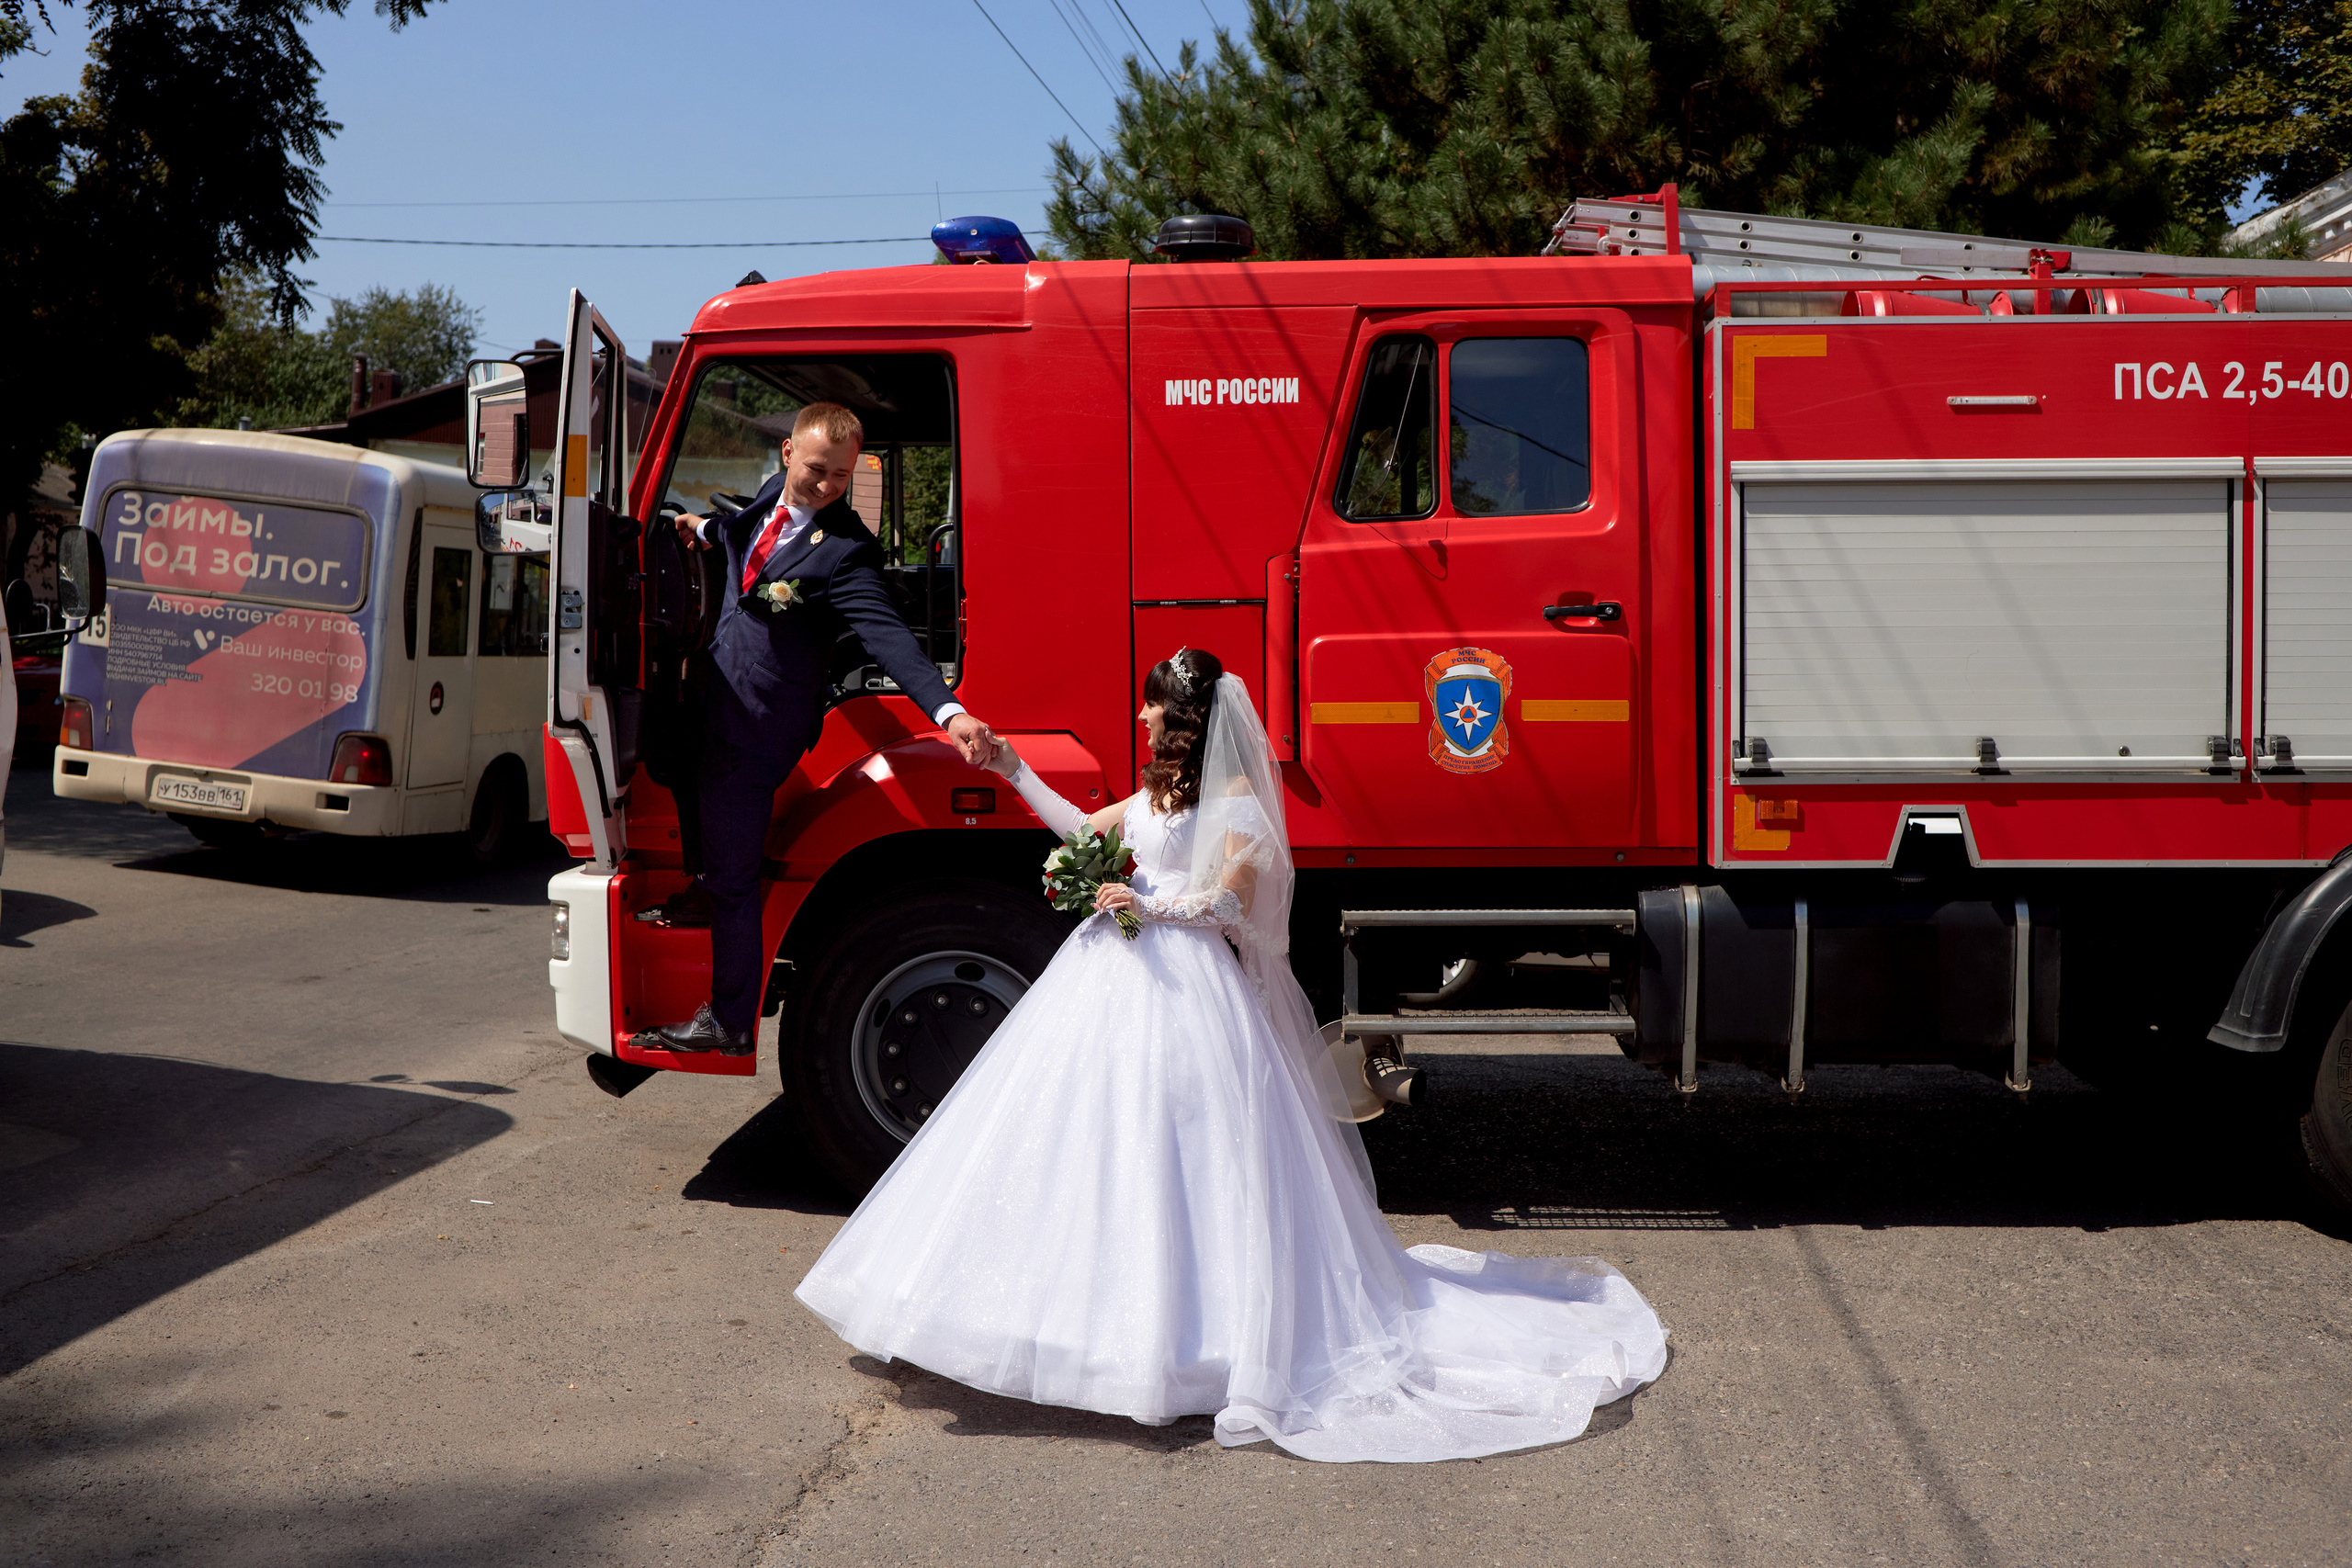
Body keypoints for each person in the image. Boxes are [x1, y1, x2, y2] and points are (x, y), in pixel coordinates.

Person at [793, 648, 1668, 1462]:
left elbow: (1230, 908)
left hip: (1184, 981)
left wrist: (1143, 903)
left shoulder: (1241, 804)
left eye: (1148, 708)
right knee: (1091, 1145)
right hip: (1113, 973)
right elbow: (1086, 827)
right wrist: (1014, 769)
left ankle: (1198, 1339)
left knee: (1193, 1158)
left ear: (1180, 717)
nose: (1138, 720)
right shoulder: (1157, 798)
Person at [646, 402, 998, 1055]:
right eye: (817, 469)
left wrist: (949, 711)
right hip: (709, 702)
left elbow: (889, 640)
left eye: (840, 474)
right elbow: (742, 531)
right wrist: (701, 525)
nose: (827, 485)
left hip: (757, 728)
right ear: (786, 455)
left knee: (735, 879)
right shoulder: (771, 495)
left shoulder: (846, 553)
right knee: (668, 764)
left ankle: (728, 1021)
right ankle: (704, 881)